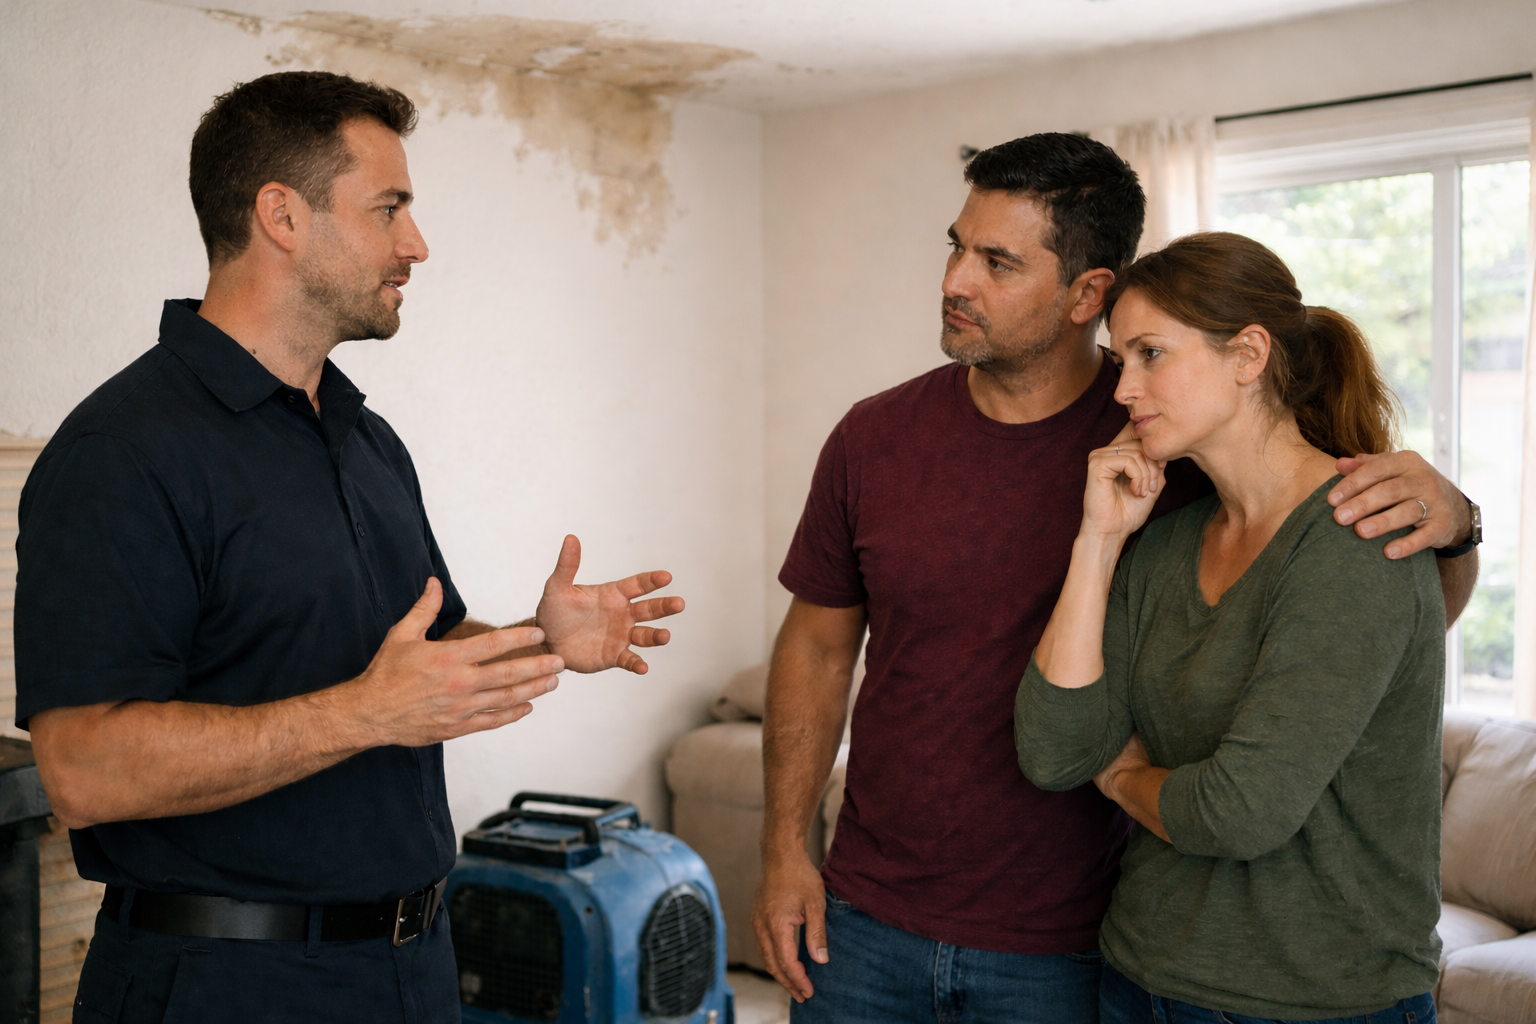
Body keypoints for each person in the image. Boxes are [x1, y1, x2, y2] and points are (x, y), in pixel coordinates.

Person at [753, 134, 1477, 1023]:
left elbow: (1377, 634)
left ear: (1085, 292)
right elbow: (826, 652)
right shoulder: (885, 441)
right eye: (956, 246)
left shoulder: (1189, 458)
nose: (954, 280)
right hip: (875, 919)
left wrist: (1459, 526)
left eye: (997, 261)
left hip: (1075, 941)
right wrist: (786, 848)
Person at [16, 71, 683, 1024]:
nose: (416, 244)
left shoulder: (367, 441)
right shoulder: (122, 452)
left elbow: (420, 660)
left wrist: (538, 640)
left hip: (409, 971)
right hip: (222, 983)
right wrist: (364, 715)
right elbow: (80, 770)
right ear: (282, 216)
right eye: (389, 208)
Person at [1015, 231, 1444, 1022]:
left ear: (1249, 355)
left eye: (1150, 354)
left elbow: (1239, 812)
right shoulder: (1172, 539)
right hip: (1139, 979)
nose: (1122, 391)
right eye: (1121, 361)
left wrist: (1120, 778)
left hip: (1317, 1004)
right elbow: (1054, 748)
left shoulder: (1355, 542)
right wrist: (1099, 538)